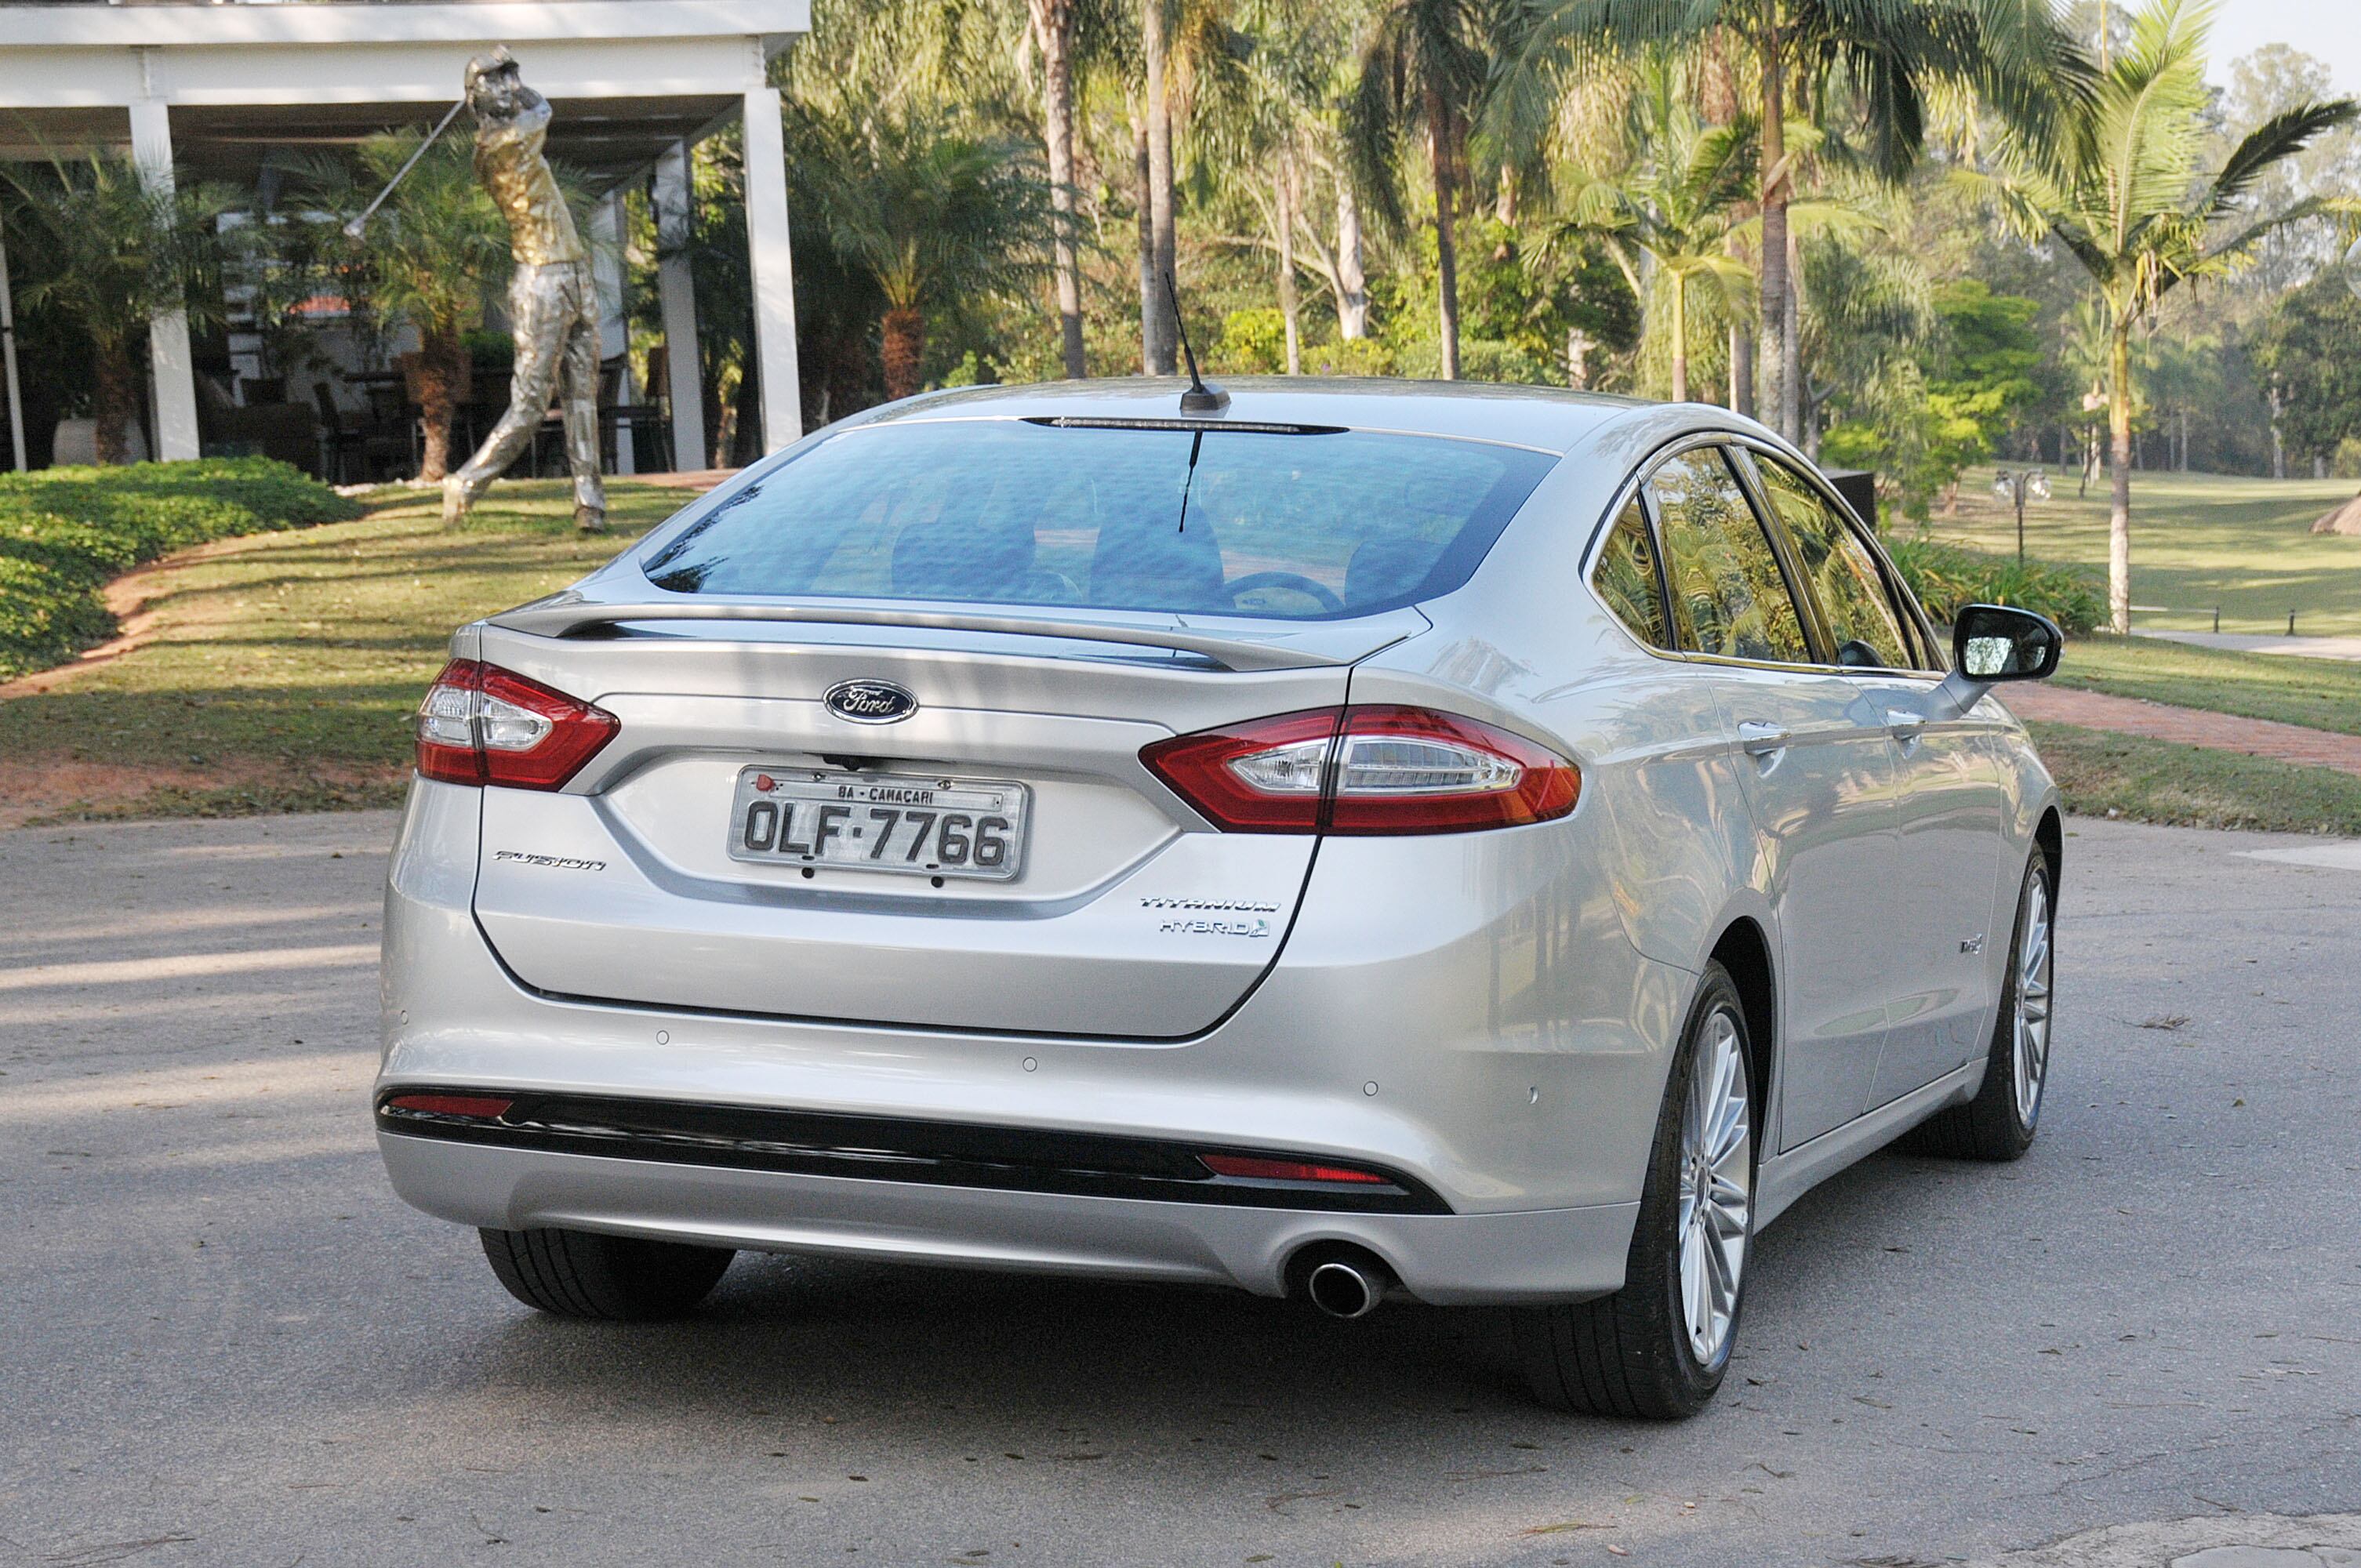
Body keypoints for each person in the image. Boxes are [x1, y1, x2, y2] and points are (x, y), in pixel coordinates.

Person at [441, 48, 606, 532]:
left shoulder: (516, 135)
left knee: (582, 396)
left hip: (574, 272)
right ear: (478, 98)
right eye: (498, 80)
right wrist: (513, 87)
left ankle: (589, 503)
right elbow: (542, 108)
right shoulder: (501, 147)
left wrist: (500, 76)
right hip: (542, 283)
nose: (511, 85)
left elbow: (533, 105)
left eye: (512, 75)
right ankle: (466, 482)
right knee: (531, 404)